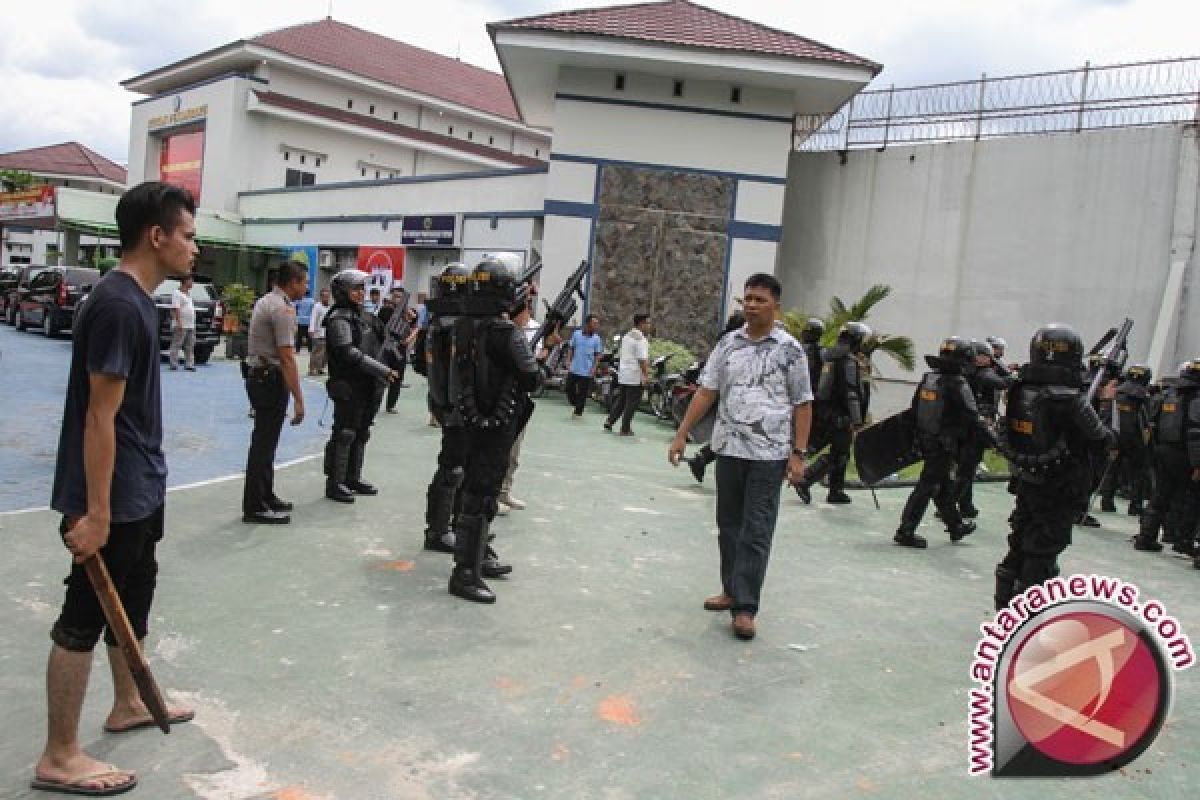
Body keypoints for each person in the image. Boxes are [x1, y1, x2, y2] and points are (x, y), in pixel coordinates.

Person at [33, 182, 197, 797]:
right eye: (186, 234)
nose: (194, 248)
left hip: (140, 486)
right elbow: (97, 417)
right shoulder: (117, 305)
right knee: (84, 612)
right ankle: (59, 754)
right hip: (113, 493)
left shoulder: (136, 301)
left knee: (133, 596)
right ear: (156, 236)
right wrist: (96, 512)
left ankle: (126, 701)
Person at [669, 273, 812, 641]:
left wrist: (797, 454)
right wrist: (682, 433)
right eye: (747, 298)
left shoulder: (790, 349)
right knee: (729, 524)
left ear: (775, 305)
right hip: (729, 449)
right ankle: (731, 589)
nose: (751, 305)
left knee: (757, 528)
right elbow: (706, 391)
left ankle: (746, 607)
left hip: (769, 454)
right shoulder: (728, 344)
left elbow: (803, 403)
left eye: (759, 300)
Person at [422, 259, 540, 603]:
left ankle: (473, 560)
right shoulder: (503, 332)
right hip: (492, 425)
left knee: (471, 490)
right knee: (480, 495)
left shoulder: (461, 325)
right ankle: (466, 572)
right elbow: (533, 377)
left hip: (469, 420)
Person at [993, 324, 1114, 610]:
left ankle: (1004, 610)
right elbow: (1101, 439)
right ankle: (1026, 620)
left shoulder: (1020, 388)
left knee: (1019, 544)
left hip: (1027, 479)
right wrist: (1106, 407)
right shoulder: (1070, 399)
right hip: (1059, 484)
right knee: (1042, 553)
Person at [893, 337, 993, 548]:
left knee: (943, 486)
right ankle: (906, 530)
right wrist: (994, 439)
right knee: (926, 487)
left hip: (927, 439)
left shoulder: (928, 378)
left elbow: (913, 410)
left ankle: (955, 526)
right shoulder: (958, 382)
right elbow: (972, 415)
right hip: (944, 444)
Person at [241, 259, 309, 524]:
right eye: (304, 282)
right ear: (292, 283)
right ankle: (255, 505)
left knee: (266, 443)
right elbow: (287, 357)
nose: (306, 287)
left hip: (260, 376)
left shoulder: (268, 300)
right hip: (269, 378)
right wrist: (299, 400)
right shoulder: (282, 310)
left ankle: (264, 495)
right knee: (263, 445)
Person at [323, 270, 397, 503]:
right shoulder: (339, 319)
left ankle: (353, 476)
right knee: (345, 433)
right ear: (342, 292)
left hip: (367, 383)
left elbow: (381, 339)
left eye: (362, 289)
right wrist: (382, 370)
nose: (361, 293)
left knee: (362, 432)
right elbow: (349, 353)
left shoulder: (363, 316)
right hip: (348, 383)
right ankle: (336, 482)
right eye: (355, 289)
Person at [793, 321, 871, 505]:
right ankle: (806, 479)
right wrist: (857, 420)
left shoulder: (829, 355)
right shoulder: (849, 360)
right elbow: (851, 391)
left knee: (835, 449)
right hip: (841, 415)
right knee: (839, 453)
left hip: (825, 410)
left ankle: (836, 491)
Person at [1133, 359, 1200, 557]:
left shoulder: (1168, 395)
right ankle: (1183, 540)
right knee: (1191, 498)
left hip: (1162, 452)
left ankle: (1146, 536)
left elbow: (1151, 424)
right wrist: (1198, 463)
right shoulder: (1196, 399)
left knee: (1160, 495)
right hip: (1185, 455)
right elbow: (1195, 433)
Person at [684, 311, 746, 483]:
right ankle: (703, 458)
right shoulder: (731, 342)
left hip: (725, 395)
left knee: (730, 433)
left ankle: (702, 458)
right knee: (732, 433)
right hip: (726, 395)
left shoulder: (727, 340)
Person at [953, 339, 1011, 518]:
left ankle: (965, 505)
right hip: (975, 427)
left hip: (965, 425)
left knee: (966, 467)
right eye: (987, 356)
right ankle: (950, 504)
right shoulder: (981, 373)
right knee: (967, 468)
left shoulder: (967, 370)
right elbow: (1003, 382)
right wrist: (1017, 376)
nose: (991, 358)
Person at [1099, 364, 1154, 517]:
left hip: (1115, 435)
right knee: (1139, 473)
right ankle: (1135, 505)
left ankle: (1106, 501)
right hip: (1135, 439)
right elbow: (1147, 420)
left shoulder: (1117, 392)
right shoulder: (1144, 396)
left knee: (1112, 469)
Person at [604, 313, 651, 436]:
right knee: (632, 403)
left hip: (624, 374)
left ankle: (610, 421)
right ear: (641, 324)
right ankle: (625, 429)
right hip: (635, 375)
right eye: (647, 323)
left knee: (621, 400)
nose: (649, 326)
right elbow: (642, 359)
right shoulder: (640, 339)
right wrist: (646, 375)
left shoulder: (627, 336)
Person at [564, 314, 604, 417]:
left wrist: (594, 368)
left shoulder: (596, 339)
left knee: (583, 393)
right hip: (574, 368)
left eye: (597, 324)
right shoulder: (577, 334)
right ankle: (576, 403)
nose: (596, 326)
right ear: (587, 324)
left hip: (587, 371)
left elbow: (597, 355)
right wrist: (568, 360)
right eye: (594, 323)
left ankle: (578, 413)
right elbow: (571, 348)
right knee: (568, 388)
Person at [167, 274, 197, 371]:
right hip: (181, 324)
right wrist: (178, 322)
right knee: (177, 344)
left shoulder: (188, 294)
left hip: (190, 325)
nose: (192, 283)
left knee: (190, 345)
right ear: (185, 281)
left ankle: (189, 364)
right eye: (191, 281)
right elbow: (176, 309)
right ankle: (173, 363)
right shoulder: (177, 293)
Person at [308, 287, 331, 376]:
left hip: (327, 333)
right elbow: (313, 318)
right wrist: (311, 329)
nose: (326, 298)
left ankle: (320, 368)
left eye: (328, 296)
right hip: (318, 333)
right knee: (317, 352)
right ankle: (312, 369)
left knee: (325, 354)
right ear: (321, 297)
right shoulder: (317, 306)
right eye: (324, 296)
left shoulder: (329, 307)